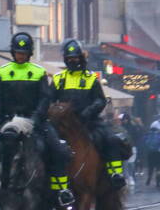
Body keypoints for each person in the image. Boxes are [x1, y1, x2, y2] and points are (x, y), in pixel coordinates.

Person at [0, 33, 74, 207]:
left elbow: (45, 98)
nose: (21, 55)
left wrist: (36, 118)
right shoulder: (2, 71)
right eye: (18, 52)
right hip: (7, 122)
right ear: (13, 53)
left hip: (35, 122)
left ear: (29, 54)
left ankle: (61, 190)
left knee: (58, 149)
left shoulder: (38, 72)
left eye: (24, 53)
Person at [50, 39, 131, 189]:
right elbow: (49, 101)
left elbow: (100, 100)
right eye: (69, 58)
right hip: (64, 125)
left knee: (111, 139)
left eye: (75, 58)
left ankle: (115, 174)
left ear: (81, 58)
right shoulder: (58, 79)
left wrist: (88, 112)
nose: (72, 61)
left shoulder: (91, 78)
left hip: (89, 122)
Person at [143, 118, 160, 188]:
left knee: (150, 167)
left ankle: (148, 179)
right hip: (159, 153)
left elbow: (144, 141)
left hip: (150, 153)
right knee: (159, 168)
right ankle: (158, 182)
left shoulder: (148, 133)